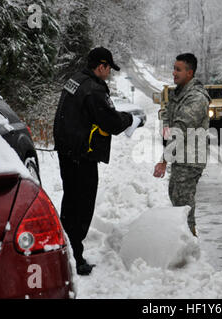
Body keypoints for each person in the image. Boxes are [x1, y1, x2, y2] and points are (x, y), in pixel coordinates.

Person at [54, 47, 141, 275]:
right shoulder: (93, 89)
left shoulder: (76, 80)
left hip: (67, 153)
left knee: (71, 202)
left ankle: (66, 251)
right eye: (109, 68)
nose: (109, 73)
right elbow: (111, 122)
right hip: (82, 157)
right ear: (101, 66)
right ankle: (75, 257)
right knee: (82, 207)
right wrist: (131, 118)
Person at [153, 53, 211, 237]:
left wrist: (163, 160)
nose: (174, 73)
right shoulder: (178, 94)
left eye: (179, 69)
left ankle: (189, 244)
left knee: (183, 205)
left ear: (190, 72)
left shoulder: (196, 98)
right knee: (176, 198)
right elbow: (168, 123)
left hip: (191, 159)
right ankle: (185, 241)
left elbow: (180, 129)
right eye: (174, 68)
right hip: (181, 156)